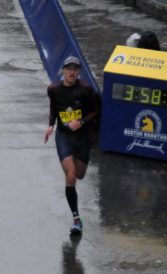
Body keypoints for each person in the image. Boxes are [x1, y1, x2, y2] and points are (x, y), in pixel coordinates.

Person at [44, 56, 99, 236]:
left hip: (82, 137)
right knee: (71, 174)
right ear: (63, 71)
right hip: (64, 136)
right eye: (69, 69)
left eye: (75, 69)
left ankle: (75, 167)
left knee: (80, 174)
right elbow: (54, 107)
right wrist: (51, 125)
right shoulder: (53, 89)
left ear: (79, 72)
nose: (72, 72)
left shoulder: (85, 90)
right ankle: (76, 219)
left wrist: (81, 122)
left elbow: (96, 110)